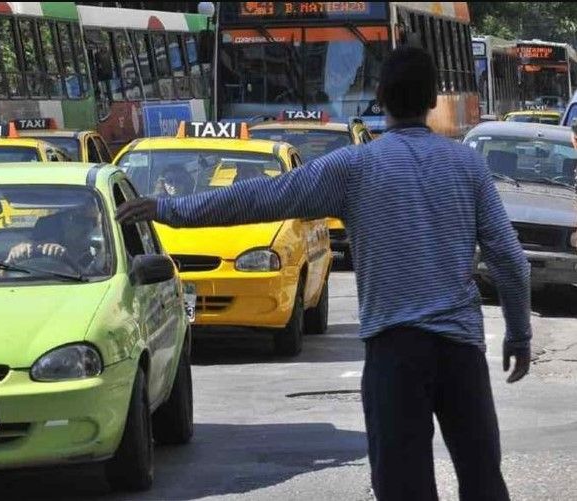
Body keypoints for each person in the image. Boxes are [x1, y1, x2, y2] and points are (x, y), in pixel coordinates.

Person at [117, 47, 531, 501]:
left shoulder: (356, 167)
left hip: (395, 354)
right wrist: (518, 335)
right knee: (484, 481)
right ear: (433, 100)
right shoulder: (466, 165)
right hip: (461, 352)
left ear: (380, 97)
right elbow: (510, 260)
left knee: (403, 487)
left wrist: (170, 209)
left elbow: (263, 197)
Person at [6, 201, 105, 274]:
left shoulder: (100, 257)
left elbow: (98, 283)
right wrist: (11, 261)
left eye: (94, 221)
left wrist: (68, 260)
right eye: (79, 220)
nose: (90, 227)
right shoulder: (27, 255)